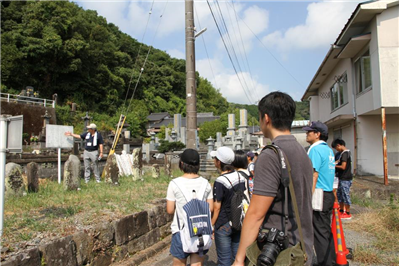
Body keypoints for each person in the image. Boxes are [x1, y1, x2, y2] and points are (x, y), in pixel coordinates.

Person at [233, 92, 314, 266]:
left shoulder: (271, 155)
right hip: (301, 248)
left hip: (281, 253)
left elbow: (256, 214)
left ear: (266, 118)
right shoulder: (302, 152)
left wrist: (239, 259)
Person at [166, 149, 213, 266]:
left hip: (180, 230)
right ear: (198, 164)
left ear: (181, 164)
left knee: (179, 263)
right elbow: (210, 208)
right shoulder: (205, 183)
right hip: (200, 230)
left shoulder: (174, 183)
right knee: (197, 264)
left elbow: (170, 210)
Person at [303, 121, 336, 266]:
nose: (307, 133)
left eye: (309, 131)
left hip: (318, 194)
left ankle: (325, 262)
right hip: (328, 193)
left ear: (317, 134)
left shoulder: (314, 149)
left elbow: (313, 175)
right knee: (325, 230)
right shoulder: (328, 150)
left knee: (319, 232)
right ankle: (331, 260)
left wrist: (307, 197)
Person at [211, 146, 246, 266]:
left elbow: (217, 207)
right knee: (237, 258)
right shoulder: (240, 177)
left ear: (219, 162)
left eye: (215, 158)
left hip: (223, 223)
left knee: (224, 260)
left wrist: (212, 224)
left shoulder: (220, 181)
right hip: (238, 221)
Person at [332, 138, 353, 220]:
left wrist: (334, 166)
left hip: (345, 178)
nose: (336, 150)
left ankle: (347, 212)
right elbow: (338, 161)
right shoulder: (342, 154)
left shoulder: (345, 153)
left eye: (336, 148)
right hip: (341, 177)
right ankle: (341, 210)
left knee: (345, 195)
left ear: (339, 145)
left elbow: (343, 166)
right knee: (340, 195)